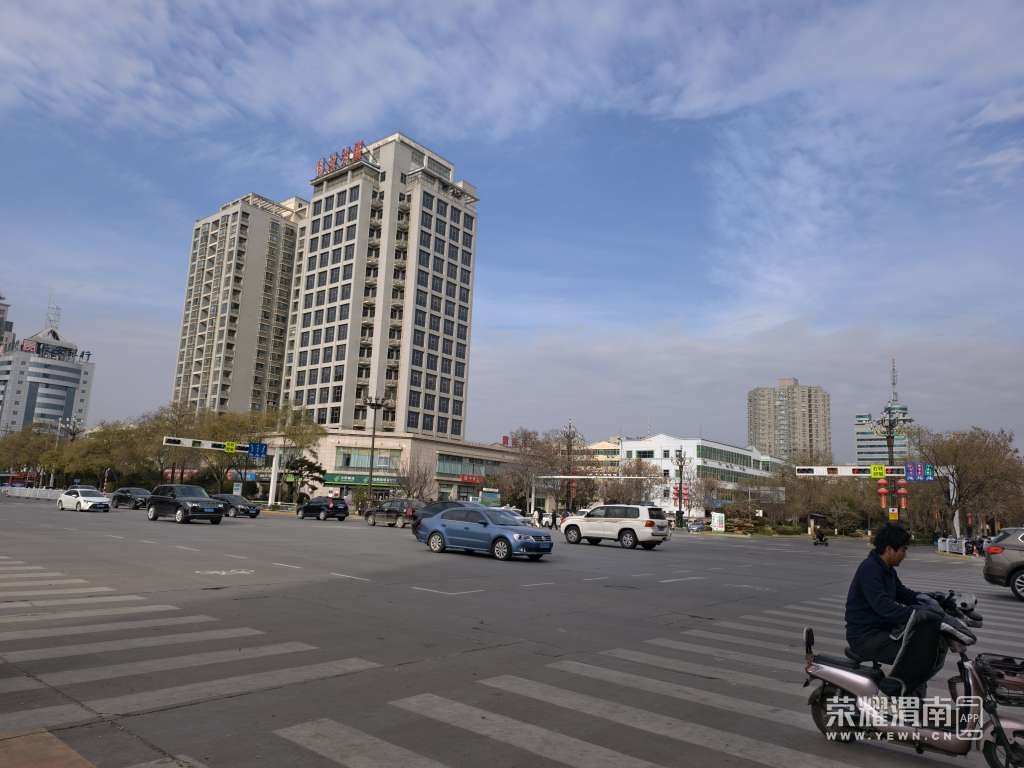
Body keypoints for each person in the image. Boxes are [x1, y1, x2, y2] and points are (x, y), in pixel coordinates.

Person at [845, 523, 945, 698]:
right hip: (865, 636)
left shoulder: (886, 569)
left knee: (922, 649)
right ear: (889, 549)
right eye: (903, 549)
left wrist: (928, 598)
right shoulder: (870, 569)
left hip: (882, 632)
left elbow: (902, 593)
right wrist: (916, 615)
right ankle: (893, 695)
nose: (905, 554)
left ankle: (911, 699)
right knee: (915, 657)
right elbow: (883, 606)